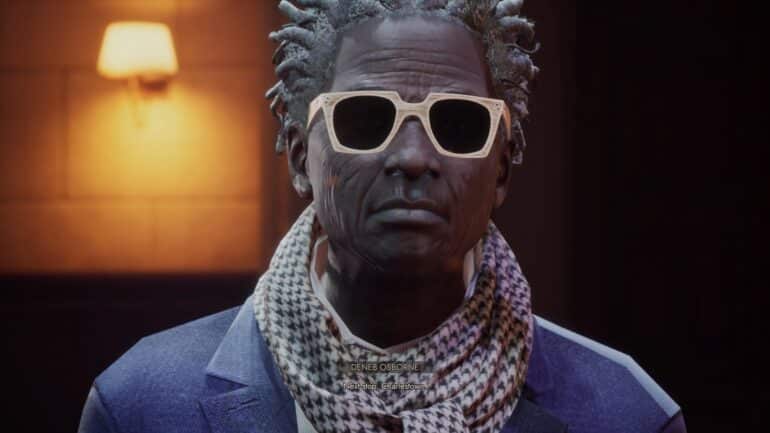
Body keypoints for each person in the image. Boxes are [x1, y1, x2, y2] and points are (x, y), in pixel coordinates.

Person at [78, 1, 686, 432]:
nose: (413, 157)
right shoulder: (142, 407)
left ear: (501, 169)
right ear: (300, 156)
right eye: (366, 119)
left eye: (457, 124)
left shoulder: (625, 414)